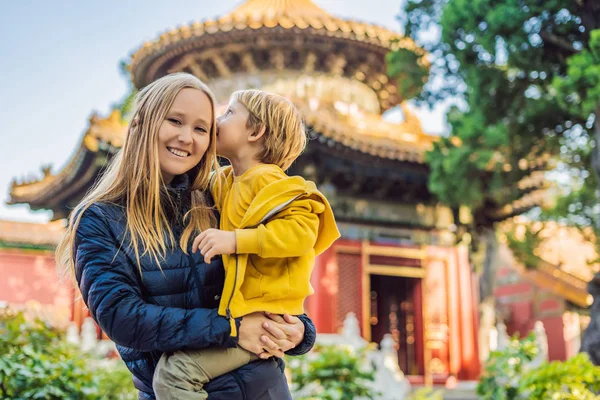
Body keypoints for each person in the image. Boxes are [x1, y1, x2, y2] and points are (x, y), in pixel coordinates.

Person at [55, 73, 317, 400]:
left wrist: (300, 330)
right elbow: (122, 318)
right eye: (175, 121)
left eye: (201, 128)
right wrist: (231, 329)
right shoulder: (99, 219)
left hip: (265, 390)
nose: (186, 137)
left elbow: (267, 274)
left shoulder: (216, 199)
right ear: (142, 122)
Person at [153, 89, 340, 399]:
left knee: (175, 375)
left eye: (228, 114)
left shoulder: (270, 181)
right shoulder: (225, 180)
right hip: (240, 319)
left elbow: (301, 232)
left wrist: (237, 240)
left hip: (262, 322)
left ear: (255, 131)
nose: (217, 122)